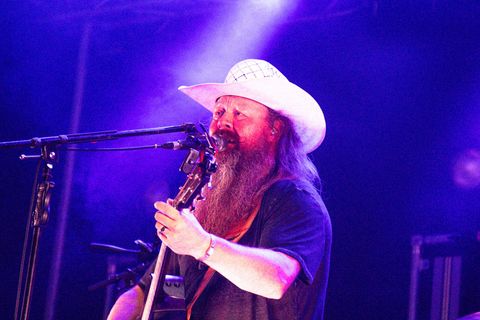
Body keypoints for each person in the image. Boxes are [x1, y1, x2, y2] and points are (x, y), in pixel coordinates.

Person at [108, 59, 332, 320]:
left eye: (240, 114)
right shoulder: (209, 205)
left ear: (274, 129)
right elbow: (152, 291)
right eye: (219, 112)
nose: (223, 123)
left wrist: (203, 245)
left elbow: (276, 279)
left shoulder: (294, 199)